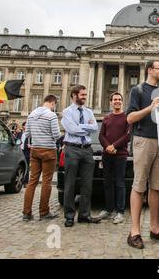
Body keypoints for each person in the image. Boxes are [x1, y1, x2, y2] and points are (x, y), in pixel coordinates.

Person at [126, 60, 159, 249]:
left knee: (156, 187)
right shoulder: (137, 90)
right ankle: (134, 232)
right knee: (139, 185)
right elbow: (129, 118)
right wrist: (150, 108)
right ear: (150, 70)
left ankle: (155, 228)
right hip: (142, 140)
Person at [61, 85, 100, 228]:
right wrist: (86, 127)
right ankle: (69, 216)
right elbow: (71, 129)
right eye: (82, 95)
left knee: (87, 185)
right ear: (74, 95)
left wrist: (79, 126)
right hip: (72, 149)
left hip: (87, 150)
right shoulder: (67, 112)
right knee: (70, 185)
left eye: (85, 95)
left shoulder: (89, 112)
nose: (85, 97)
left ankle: (84, 215)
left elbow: (95, 128)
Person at [22, 95, 61, 221]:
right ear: (52, 103)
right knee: (46, 182)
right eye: (54, 105)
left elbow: (27, 133)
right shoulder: (51, 115)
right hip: (48, 150)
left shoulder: (32, 114)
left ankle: (26, 213)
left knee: (32, 181)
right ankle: (44, 212)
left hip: (35, 150)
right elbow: (56, 135)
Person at [97, 92, 131, 224]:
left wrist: (114, 146)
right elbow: (101, 136)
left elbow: (128, 136)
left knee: (120, 183)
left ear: (122, 102)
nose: (117, 101)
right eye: (115, 99)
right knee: (107, 183)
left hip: (120, 155)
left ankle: (120, 211)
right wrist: (108, 147)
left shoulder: (127, 118)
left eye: (119, 99)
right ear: (111, 102)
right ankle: (108, 209)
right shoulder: (106, 118)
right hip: (107, 154)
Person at [20, 121, 31, 186]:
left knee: (26, 166)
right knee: (20, 166)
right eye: (26, 125)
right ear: (23, 126)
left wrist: (30, 145)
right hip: (19, 151)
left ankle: (26, 182)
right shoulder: (19, 134)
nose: (27, 127)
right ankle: (19, 180)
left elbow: (33, 143)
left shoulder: (29, 134)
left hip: (26, 152)